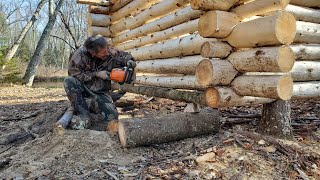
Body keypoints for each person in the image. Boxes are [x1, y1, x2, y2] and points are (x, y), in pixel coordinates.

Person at [64, 35, 135, 130]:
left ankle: (92, 104)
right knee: (69, 81)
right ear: (93, 53)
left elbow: (124, 56)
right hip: (84, 89)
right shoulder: (79, 56)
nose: (107, 52)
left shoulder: (107, 50)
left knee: (112, 119)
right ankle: (83, 114)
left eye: (107, 49)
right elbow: (75, 75)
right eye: (104, 52)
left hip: (101, 92)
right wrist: (96, 74)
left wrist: (130, 61)